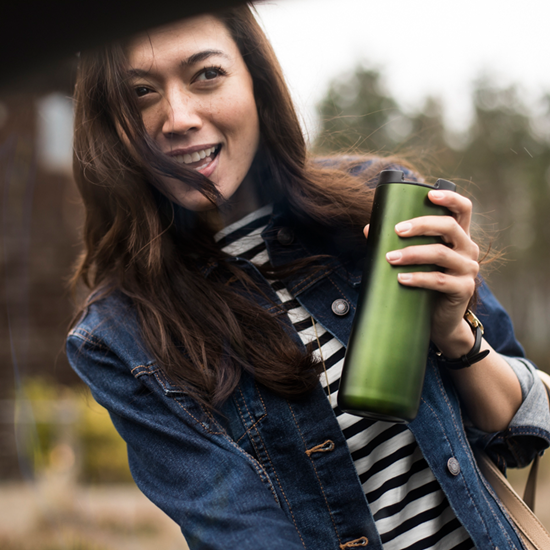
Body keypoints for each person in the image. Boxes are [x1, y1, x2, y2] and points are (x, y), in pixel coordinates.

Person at [66, 5, 550, 549]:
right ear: (110, 123)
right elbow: (243, 532)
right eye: (140, 93)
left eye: (207, 74)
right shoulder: (116, 336)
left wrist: (454, 334)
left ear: (257, 82)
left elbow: (521, 431)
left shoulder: (374, 205)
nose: (177, 118)